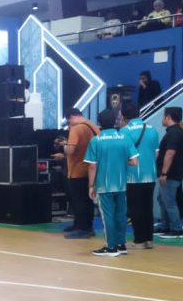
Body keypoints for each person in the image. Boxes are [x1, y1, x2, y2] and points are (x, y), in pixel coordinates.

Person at [85, 108, 139, 257]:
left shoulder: (96, 140)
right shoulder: (124, 138)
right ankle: (121, 245)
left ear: (100, 123)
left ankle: (111, 247)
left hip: (103, 184)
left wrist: (91, 186)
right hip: (121, 184)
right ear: (116, 121)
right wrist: (120, 162)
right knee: (121, 215)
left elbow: (92, 166)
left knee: (108, 216)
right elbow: (134, 162)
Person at [120, 104, 161, 248]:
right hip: (150, 174)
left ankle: (139, 240)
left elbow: (122, 154)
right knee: (148, 206)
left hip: (132, 175)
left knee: (135, 207)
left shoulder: (124, 131)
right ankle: (149, 239)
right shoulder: (152, 129)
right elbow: (156, 153)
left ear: (123, 116)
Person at [59, 108, 100, 238]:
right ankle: (85, 226)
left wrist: (64, 146)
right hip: (90, 169)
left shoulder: (76, 129)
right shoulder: (93, 126)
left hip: (77, 170)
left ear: (71, 117)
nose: (69, 124)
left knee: (79, 201)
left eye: (68, 121)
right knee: (87, 201)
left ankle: (82, 228)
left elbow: (70, 150)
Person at [155, 107, 183, 239]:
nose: (162, 119)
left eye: (163, 116)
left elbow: (170, 153)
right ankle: (165, 226)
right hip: (173, 173)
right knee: (162, 199)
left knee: (169, 201)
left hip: (170, 174)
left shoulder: (174, 133)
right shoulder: (179, 131)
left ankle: (176, 229)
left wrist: (164, 173)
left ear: (168, 117)